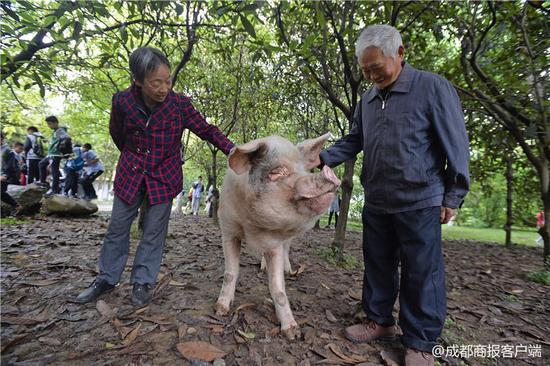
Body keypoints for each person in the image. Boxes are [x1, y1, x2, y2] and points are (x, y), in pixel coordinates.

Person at [316, 25, 470, 366]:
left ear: (400, 53)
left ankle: (421, 341)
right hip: (379, 197)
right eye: (365, 70)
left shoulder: (431, 88)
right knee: (378, 264)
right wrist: (321, 157)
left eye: (376, 67)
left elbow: (456, 145)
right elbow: (356, 139)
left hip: (421, 197)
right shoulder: (367, 100)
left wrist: (453, 195)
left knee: (421, 271)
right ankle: (380, 320)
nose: (371, 76)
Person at [75, 47, 234, 307]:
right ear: (138, 81)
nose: (164, 88)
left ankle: (143, 281)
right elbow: (118, 134)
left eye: (168, 81)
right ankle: (106, 279)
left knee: (153, 232)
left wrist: (233, 150)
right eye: (156, 82)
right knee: (117, 228)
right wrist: (135, 156)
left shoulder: (179, 104)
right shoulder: (122, 101)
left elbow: (206, 130)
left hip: (164, 175)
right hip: (131, 174)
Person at [38, 116, 70, 194]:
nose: (49, 126)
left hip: (55, 154)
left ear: (55, 123)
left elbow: (67, 138)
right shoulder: (56, 131)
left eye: (50, 124)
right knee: (41, 164)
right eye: (48, 124)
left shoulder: (60, 130)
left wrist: (60, 147)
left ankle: (54, 189)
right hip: (51, 154)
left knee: (54, 171)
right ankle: (43, 182)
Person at [1, 132, 21, 212]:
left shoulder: (8, 151)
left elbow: (10, 166)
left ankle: (16, 205)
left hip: (4, 176)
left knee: (1, 193)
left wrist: (5, 175)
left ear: (1, 139)